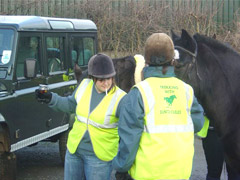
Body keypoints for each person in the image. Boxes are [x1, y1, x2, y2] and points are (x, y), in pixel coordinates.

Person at [112, 33, 204, 180]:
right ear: (173, 59)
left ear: (146, 60)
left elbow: (129, 140)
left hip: (148, 174)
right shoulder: (186, 90)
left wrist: (121, 167)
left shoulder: (139, 93)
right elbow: (198, 124)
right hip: (181, 173)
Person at [35, 53, 126, 180]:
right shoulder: (84, 86)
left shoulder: (121, 98)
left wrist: (124, 162)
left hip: (99, 158)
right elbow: (70, 105)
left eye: (109, 78)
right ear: (92, 77)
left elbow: (128, 131)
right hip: (74, 152)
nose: (106, 83)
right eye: (101, 79)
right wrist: (50, 98)